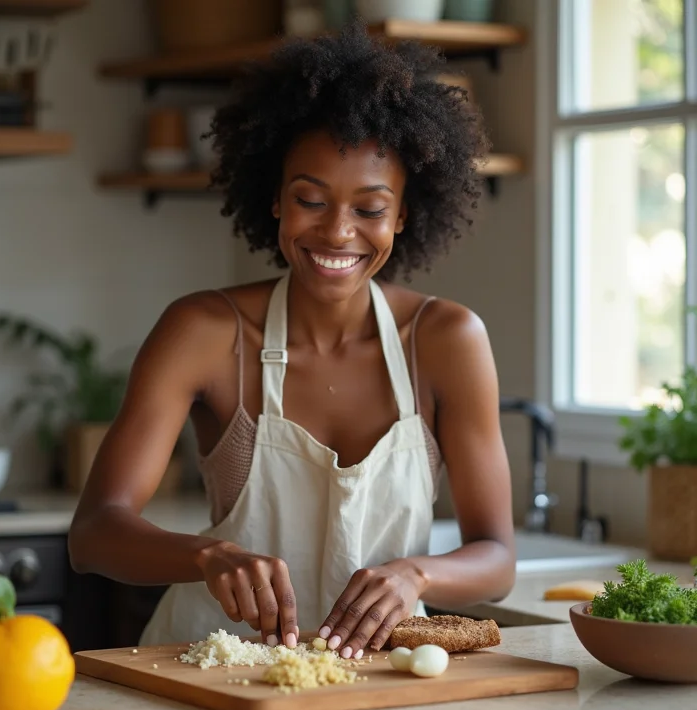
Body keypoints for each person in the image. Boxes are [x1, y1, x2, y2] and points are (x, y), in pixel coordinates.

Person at [68, 21, 515, 661]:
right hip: (210, 666)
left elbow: (497, 559)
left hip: (380, 676)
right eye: (310, 198)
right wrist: (207, 554)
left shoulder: (446, 340)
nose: (337, 232)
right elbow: (93, 534)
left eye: (369, 208)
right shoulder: (204, 331)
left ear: (404, 216)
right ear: (275, 199)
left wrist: (418, 574)